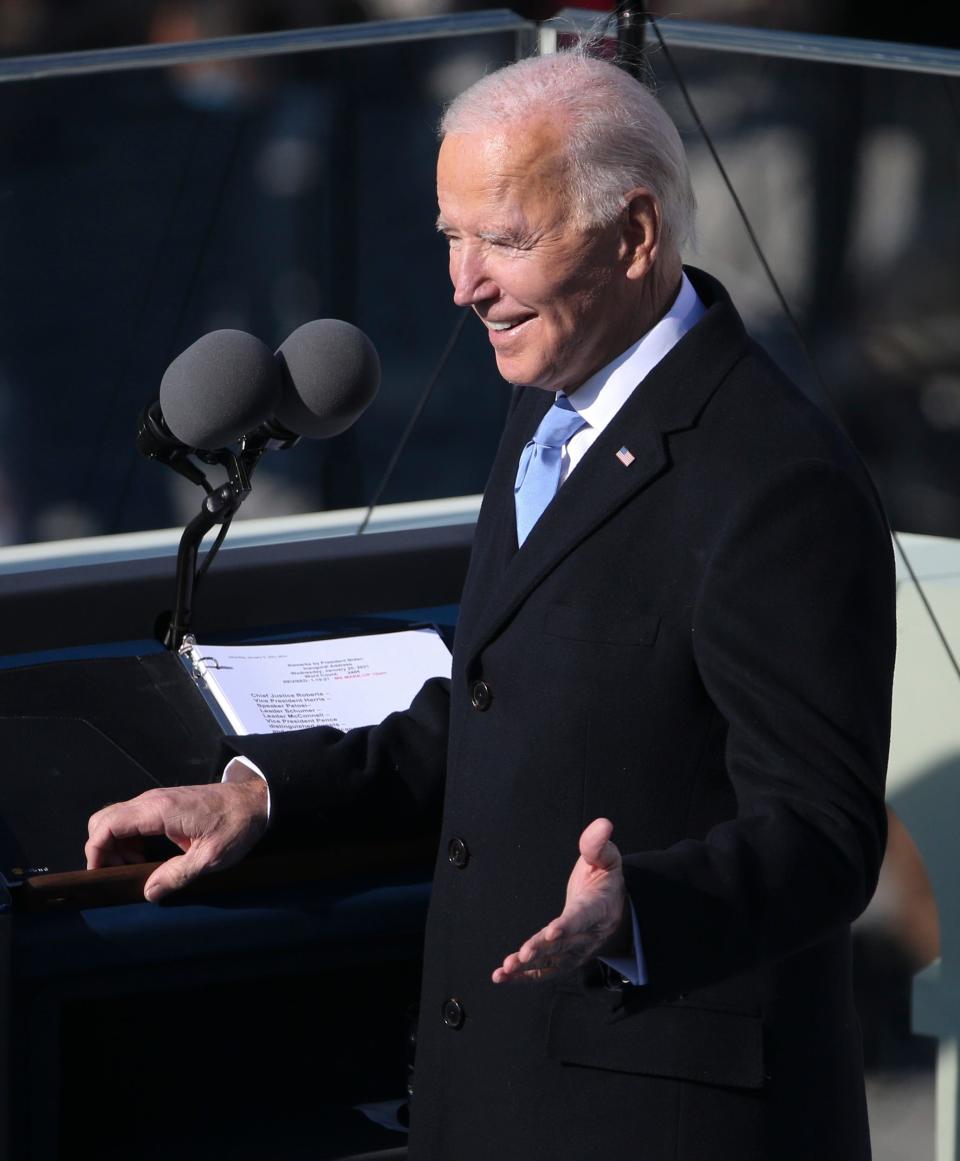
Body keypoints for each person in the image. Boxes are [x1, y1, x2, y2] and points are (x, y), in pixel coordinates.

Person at [87, 49, 896, 1161]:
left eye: (504, 240)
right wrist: (265, 794)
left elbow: (824, 836)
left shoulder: (775, 479)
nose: (463, 285)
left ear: (635, 234)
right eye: (450, 238)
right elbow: (502, 713)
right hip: (492, 1098)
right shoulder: (550, 399)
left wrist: (638, 910)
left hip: (660, 1118)